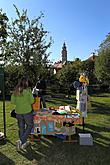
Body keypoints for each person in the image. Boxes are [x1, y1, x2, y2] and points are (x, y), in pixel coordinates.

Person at [11, 77, 34, 151]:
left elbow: (12, 102)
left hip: (18, 112)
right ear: (26, 83)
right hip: (27, 112)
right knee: (30, 125)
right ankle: (21, 141)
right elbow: (32, 101)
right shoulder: (28, 91)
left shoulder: (16, 91)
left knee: (21, 127)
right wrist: (30, 93)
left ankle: (22, 142)